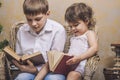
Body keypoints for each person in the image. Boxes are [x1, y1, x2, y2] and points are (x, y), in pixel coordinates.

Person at [12, 0, 66, 80]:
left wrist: (36, 71)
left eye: (38, 19)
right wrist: (20, 62)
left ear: (47, 14)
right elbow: (19, 55)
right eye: (29, 20)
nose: (33, 24)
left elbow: (54, 61)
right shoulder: (22, 30)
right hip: (28, 71)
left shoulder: (58, 30)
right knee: (21, 78)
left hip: (52, 71)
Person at [64, 2, 98, 80]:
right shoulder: (72, 36)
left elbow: (94, 48)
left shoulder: (89, 33)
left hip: (79, 66)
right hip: (68, 65)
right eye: (70, 26)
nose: (72, 28)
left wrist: (79, 58)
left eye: (76, 25)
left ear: (86, 21)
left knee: (72, 76)